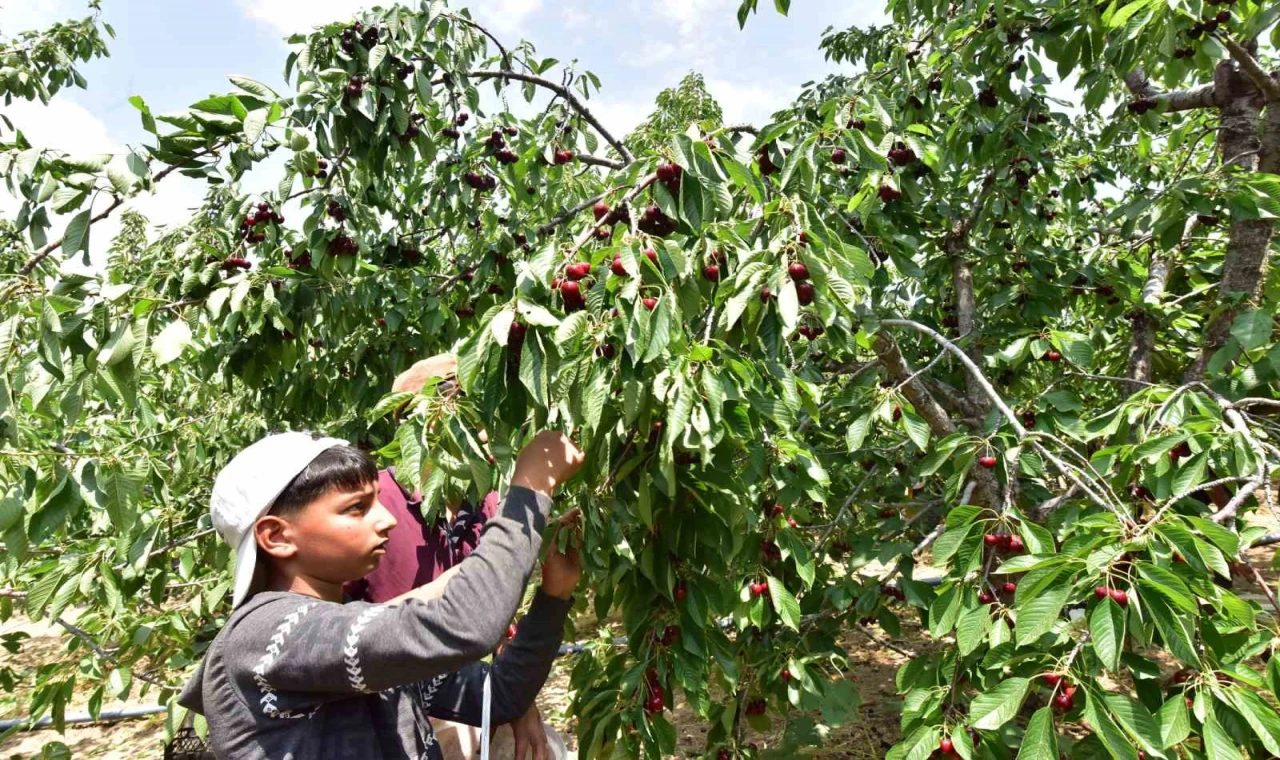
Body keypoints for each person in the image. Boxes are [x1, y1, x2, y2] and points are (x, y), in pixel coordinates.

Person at [177, 428, 584, 759]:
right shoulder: (266, 634)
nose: (387, 519)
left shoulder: (358, 639)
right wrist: (531, 486)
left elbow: (503, 694)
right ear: (277, 537)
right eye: (356, 508)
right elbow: (465, 626)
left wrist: (554, 595)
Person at [345, 353, 556, 760]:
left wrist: (521, 702)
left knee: (544, 750)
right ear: (417, 422)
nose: (480, 431)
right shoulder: (373, 508)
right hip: (390, 708)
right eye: (460, 411)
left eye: (482, 412)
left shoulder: (486, 503)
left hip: (471, 691)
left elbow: (497, 616)